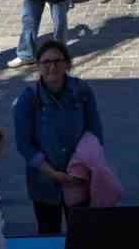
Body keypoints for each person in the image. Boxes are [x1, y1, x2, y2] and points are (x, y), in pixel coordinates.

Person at [13, 39, 103, 235]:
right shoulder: (28, 98)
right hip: (43, 182)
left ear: (67, 64)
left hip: (78, 179)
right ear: (38, 66)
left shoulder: (82, 91)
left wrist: (81, 170)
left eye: (57, 61)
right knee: (48, 233)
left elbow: (94, 133)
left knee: (82, 233)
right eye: (46, 62)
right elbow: (24, 144)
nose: (52, 67)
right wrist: (52, 173)